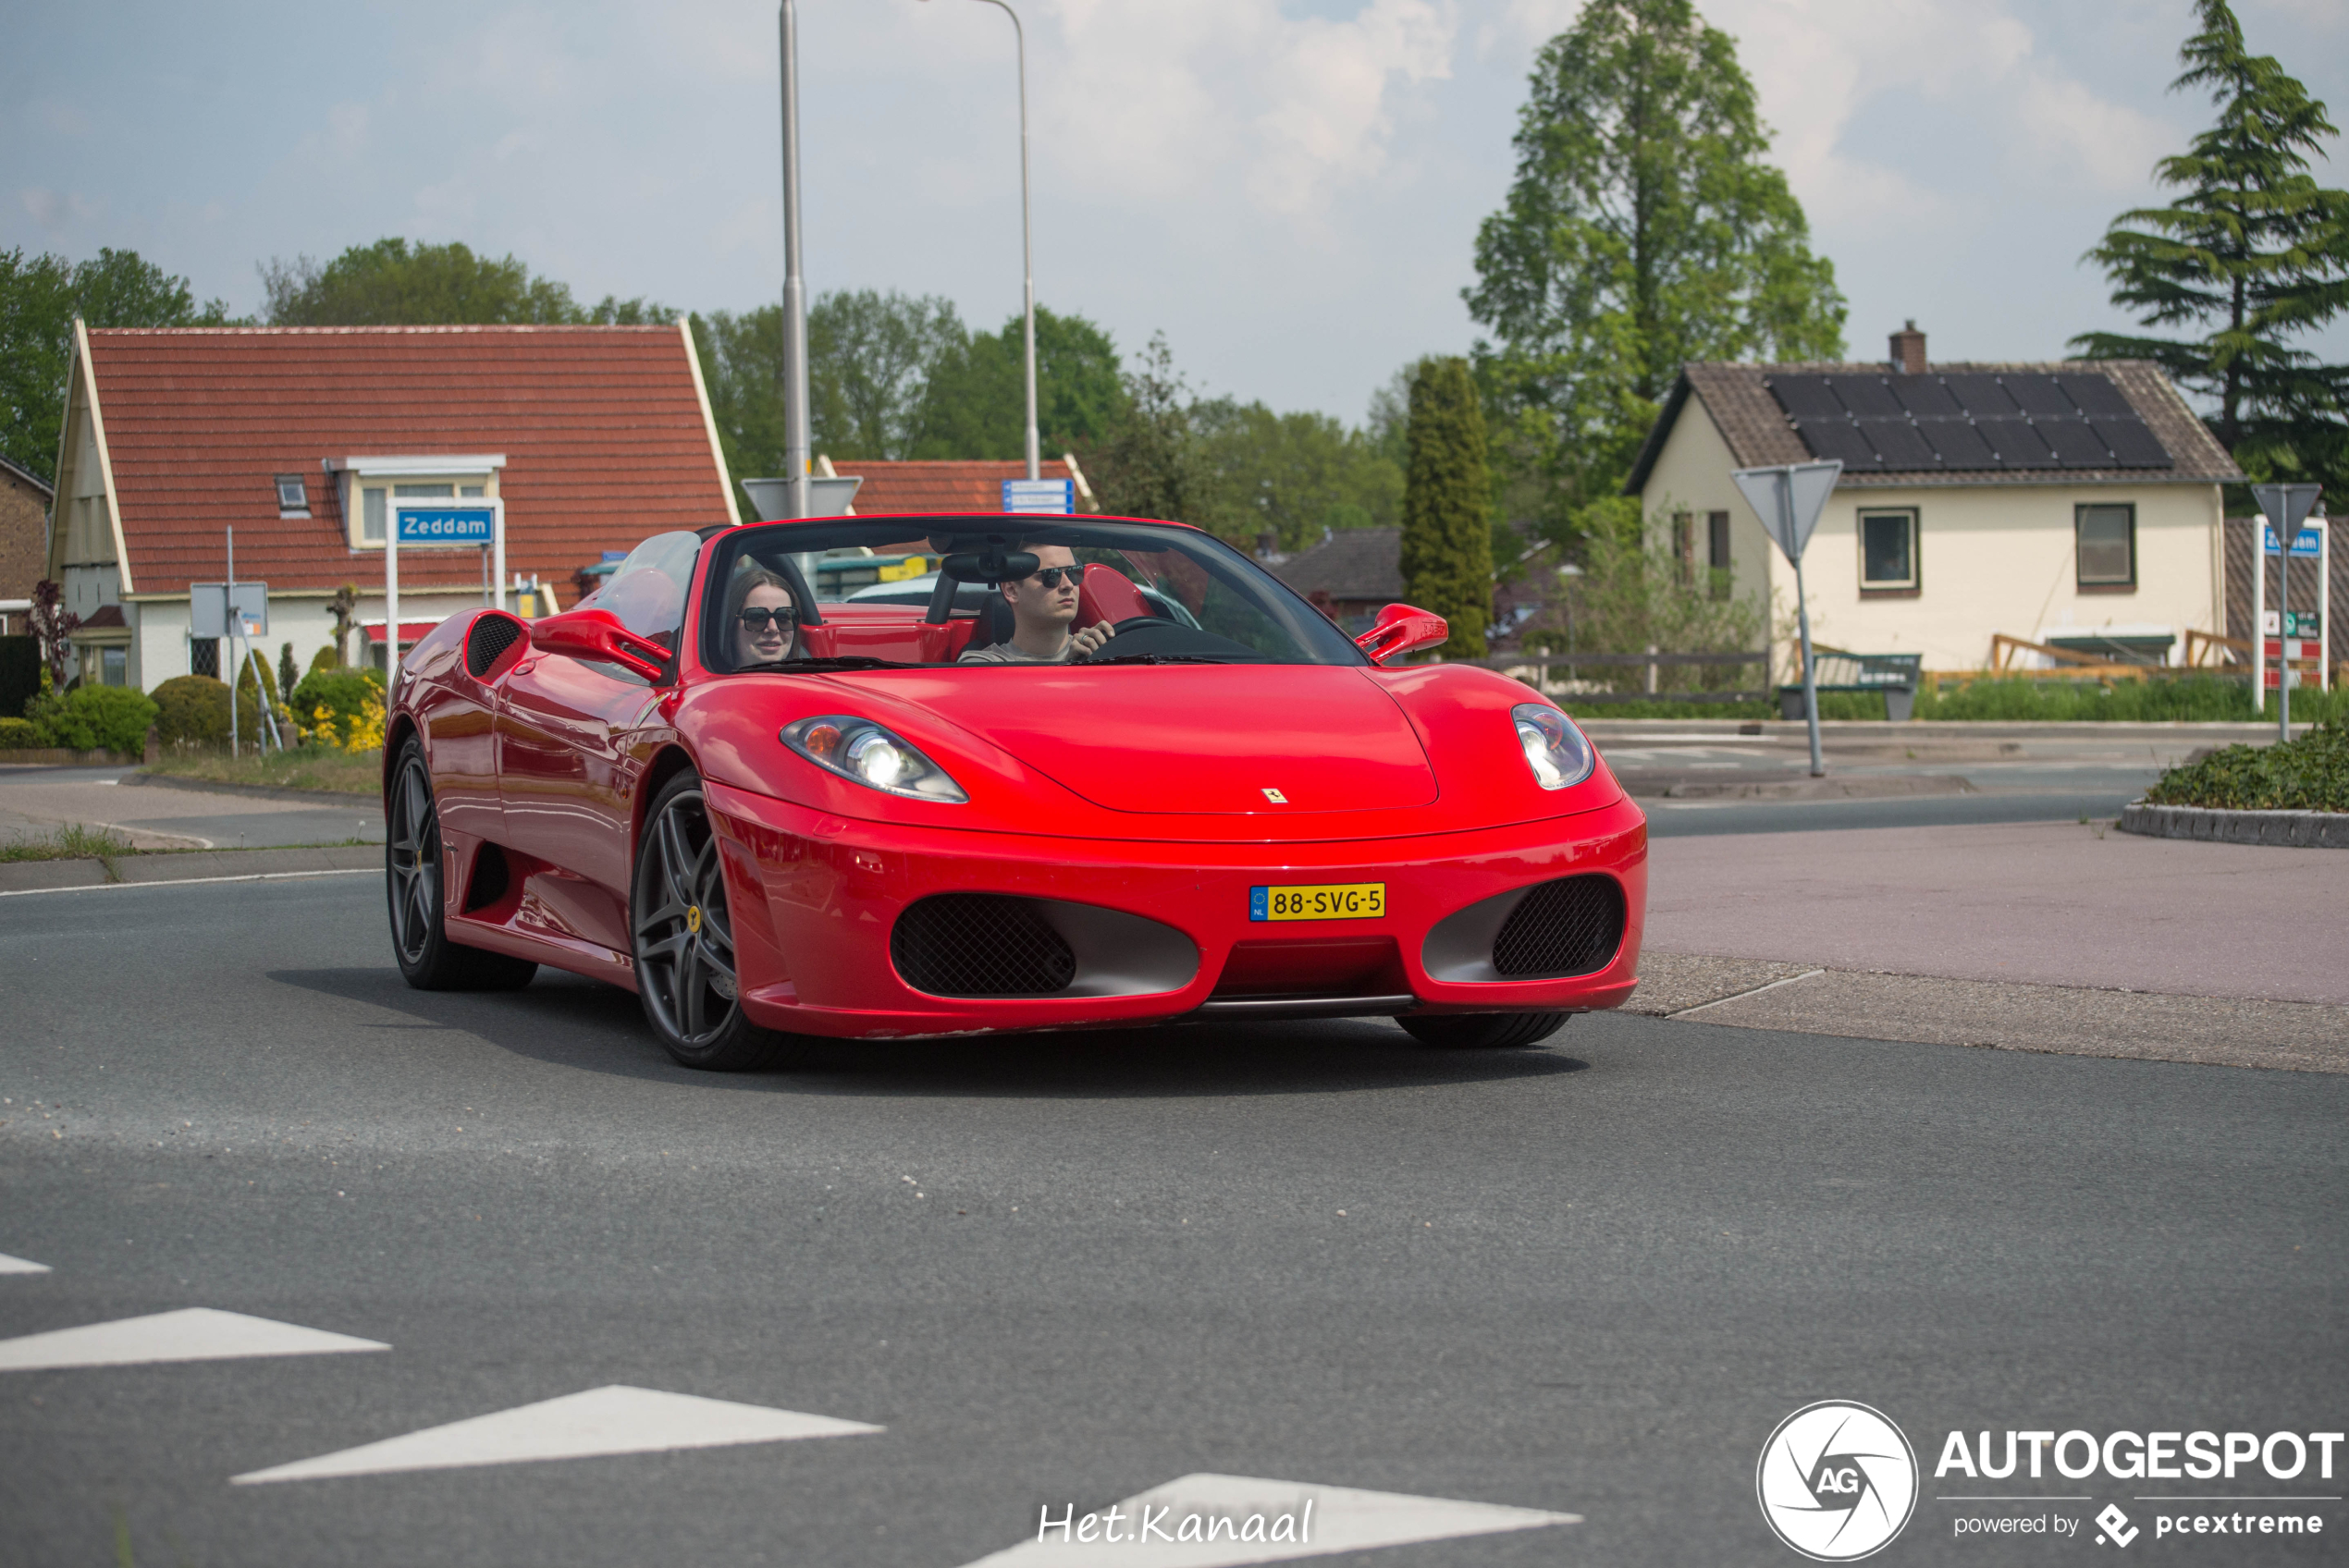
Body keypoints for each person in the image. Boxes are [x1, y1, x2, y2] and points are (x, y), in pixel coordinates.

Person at [958, 545, 1115, 664]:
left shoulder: (1098, 651)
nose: (1068, 584)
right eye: (1051, 576)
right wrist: (1069, 665)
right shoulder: (981, 664)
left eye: (1073, 573)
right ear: (1012, 590)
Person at [727, 567, 799, 668]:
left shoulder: (815, 682)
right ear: (730, 625)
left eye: (783, 618)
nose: (773, 628)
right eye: (757, 617)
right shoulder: (709, 683)